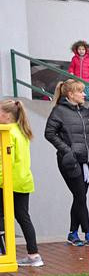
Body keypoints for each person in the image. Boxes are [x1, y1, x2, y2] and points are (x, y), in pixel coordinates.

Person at [45, 79, 89, 246]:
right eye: (80, 92)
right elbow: (49, 133)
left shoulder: (86, 111)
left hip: (87, 161)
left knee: (79, 197)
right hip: (70, 162)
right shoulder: (58, 111)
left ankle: (72, 232)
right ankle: (88, 232)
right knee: (81, 196)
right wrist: (68, 151)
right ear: (70, 94)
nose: (84, 94)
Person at [0, 99, 42, 266]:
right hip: (23, 181)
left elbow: (5, 160)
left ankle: (4, 252)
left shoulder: (7, 132)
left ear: (7, 115)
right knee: (23, 217)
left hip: (8, 182)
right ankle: (34, 255)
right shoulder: (21, 130)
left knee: (2, 216)